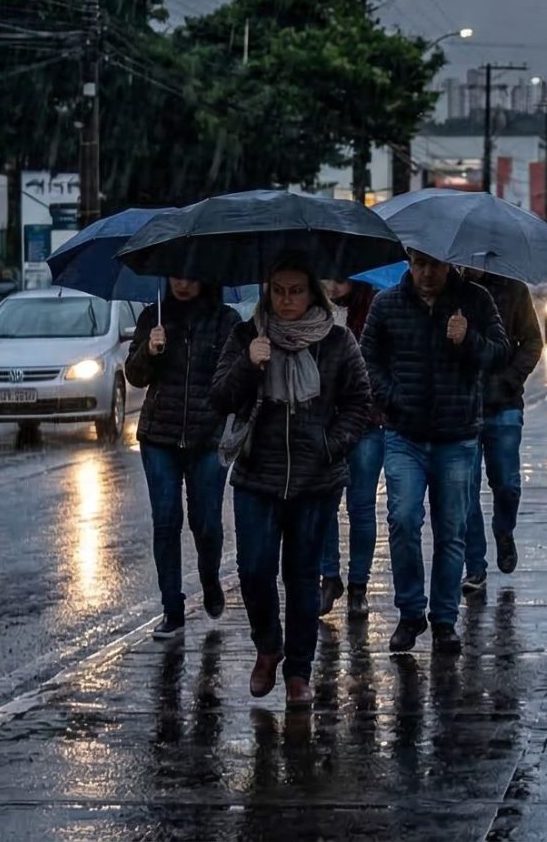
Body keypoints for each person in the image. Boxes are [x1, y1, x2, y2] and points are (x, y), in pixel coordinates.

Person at [210, 258, 374, 705]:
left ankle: (299, 672)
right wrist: (249, 363)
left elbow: (360, 401)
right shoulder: (248, 335)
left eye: (296, 291)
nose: (286, 300)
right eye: (278, 291)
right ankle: (268, 646)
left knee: (303, 577)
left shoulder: (338, 341)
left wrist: (331, 445)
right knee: (254, 570)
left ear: (312, 293)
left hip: (315, 480)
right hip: (256, 477)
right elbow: (220, 396)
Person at [361, 248, 506, 655]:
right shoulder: (387, 303)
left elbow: (499, 354)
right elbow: (367, 358)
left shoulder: (475, 300)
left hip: (456, 436)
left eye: (435, 265)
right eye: (420, 264)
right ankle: (410, 613)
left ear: (450, 265)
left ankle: (444, 620)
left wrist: (468, 339)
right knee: (403, 520)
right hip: (404, 434)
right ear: (409, 262)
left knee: (451, 531)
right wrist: (391, 397)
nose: (427, 273)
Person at [126, 275, 232, 638]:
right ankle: (172, 608)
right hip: (160, 436)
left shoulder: (225, 321)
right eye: (175, 276)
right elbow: (135, 377)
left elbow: (234, 380)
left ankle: (210, 578)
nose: (183, 284)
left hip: (207, 436)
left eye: (191, 277)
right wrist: (149, 351)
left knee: (207, 523)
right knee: (166, 520)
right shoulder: (152, 317)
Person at [463, 268, 543, 593]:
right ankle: (475, 567)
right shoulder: (451, 291)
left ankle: (504, 529)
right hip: (460, 408)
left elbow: (532, 341)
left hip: (504, 405)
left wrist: (509, 380)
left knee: (507, 484)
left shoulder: (513, 288)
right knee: (464, 491)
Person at [318, 278, 383, 614]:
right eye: (326, 276)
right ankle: (329, 576)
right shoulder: (315, 312)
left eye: (340, 276)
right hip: (326, 422)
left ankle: (359, 585)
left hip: (367, 423)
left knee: (360, 507)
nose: (332, 283)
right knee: (324, 503)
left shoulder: (374, 308)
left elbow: (384, 364)